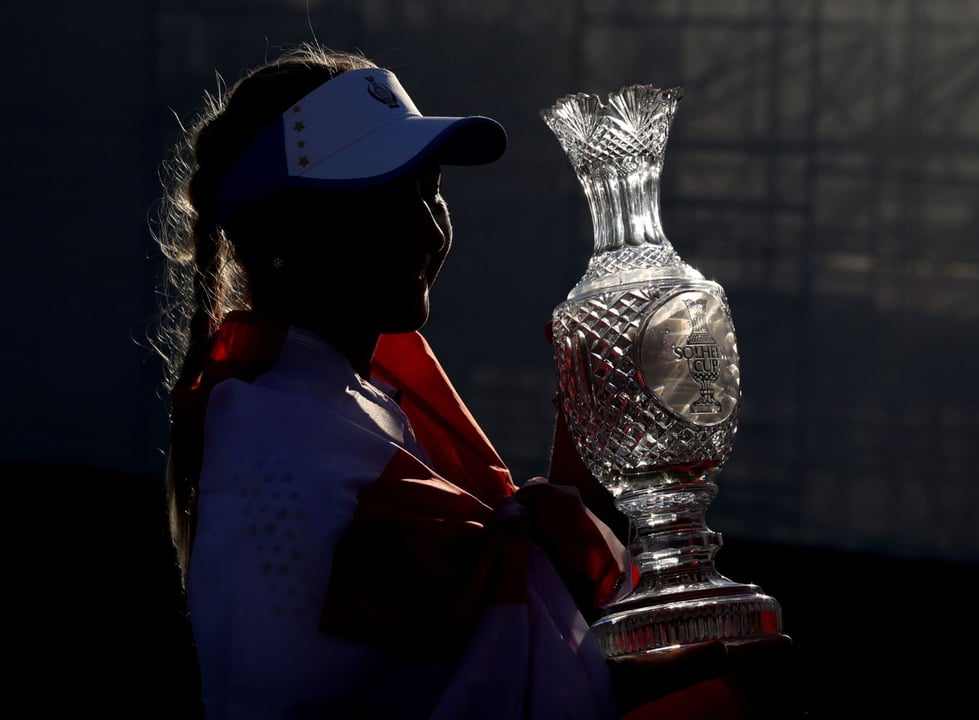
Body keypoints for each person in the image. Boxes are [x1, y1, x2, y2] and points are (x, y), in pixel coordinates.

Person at [152, 43, 795, 720]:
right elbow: (512, 683)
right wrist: (716, 671)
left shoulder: (339, 412)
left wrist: (586, 410)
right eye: (377, 201)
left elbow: (498, 640)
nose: (425, 227)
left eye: (431, 188)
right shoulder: (287, 452)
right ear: (285, 232)